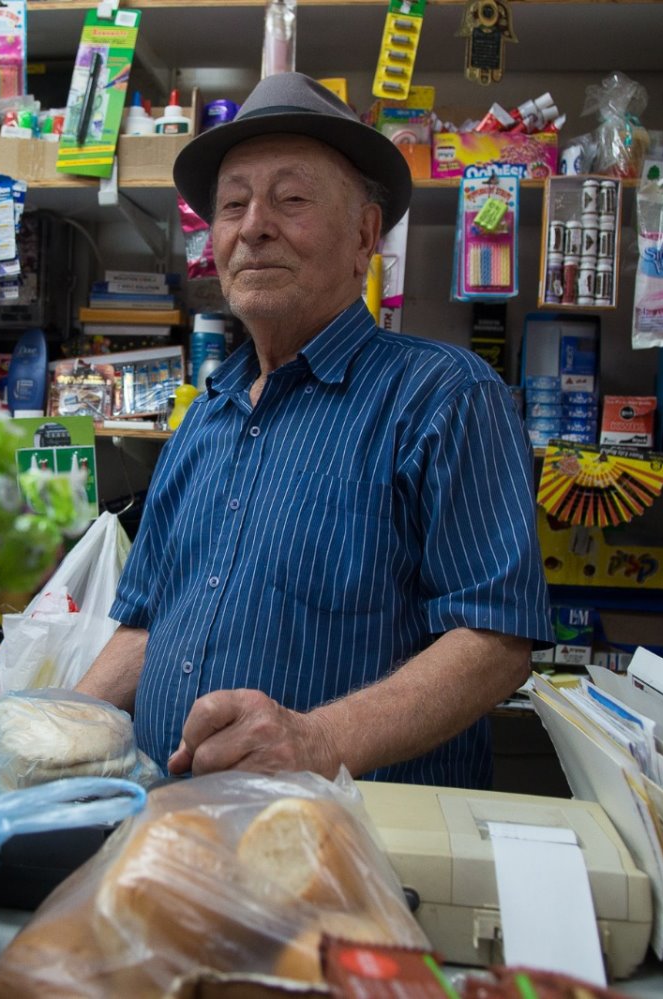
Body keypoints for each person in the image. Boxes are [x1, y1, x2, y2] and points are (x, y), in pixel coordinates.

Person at [76, 73, 550, 788]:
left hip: (358, 850)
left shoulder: (444, 396)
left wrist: (317, 738)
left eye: (291, 199)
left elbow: (495, 639)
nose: (254, 225)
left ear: (365, 235)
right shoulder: (204, 417)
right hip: (179, 831)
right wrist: (55, 727)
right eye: (233, 205)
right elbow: (145, 625)